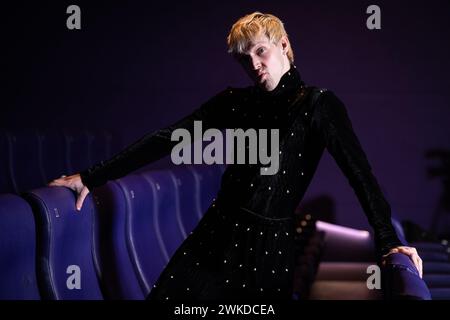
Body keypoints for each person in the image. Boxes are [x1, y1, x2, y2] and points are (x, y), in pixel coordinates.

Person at [48, 12, 422, 300]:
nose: (255, 65)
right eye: (245, 59)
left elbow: (361, 175)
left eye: (260, 51)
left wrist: (389, 242)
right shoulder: (235, 102)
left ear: (284, 46)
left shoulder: (318, 104)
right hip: (215, 235)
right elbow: (167, 139)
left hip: (269, 248)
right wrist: (92, 176)